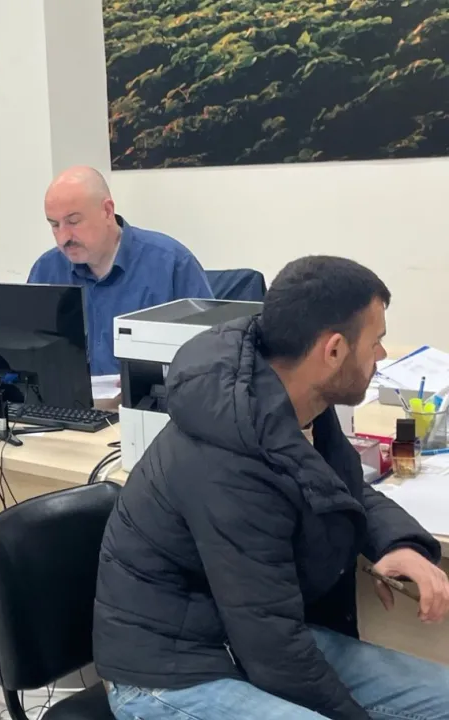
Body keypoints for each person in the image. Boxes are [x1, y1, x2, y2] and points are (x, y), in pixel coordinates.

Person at [94, 255, 449, 720]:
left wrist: (397, 542)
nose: (381, 355)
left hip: (248, 637)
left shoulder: (298, 398)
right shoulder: (231, 460)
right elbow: (271, 647)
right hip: (172, 670)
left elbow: (340, 488)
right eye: (375, 341)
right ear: (333, 351)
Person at [28, 166, 213, 375]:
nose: (63, 238)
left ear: (107, 211)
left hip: (150, 395)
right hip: (69, 395)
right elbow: (31, 357)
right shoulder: (46, 271)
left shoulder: (172, 264)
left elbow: (209, 357)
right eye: (54, 225)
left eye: (73, 222)